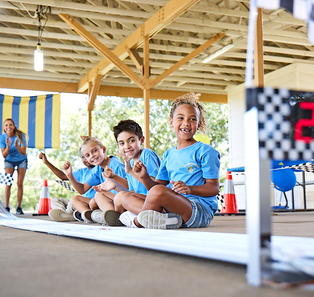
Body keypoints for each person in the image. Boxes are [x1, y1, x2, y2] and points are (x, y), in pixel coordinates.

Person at [130, 93, 220, 229]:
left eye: (192, 119)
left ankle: (136, 222)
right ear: (171, 122)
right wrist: (144, 177)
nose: (186, 123)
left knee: (157, 193)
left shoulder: (206, 151)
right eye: (180, 118)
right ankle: (165, 220)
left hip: (197, 210)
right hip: (173, 207)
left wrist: (190, 189)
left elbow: (213, 188)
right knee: (125, 196)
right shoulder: (169, 154)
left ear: (199, 124)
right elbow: (155, 188)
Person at [95, 119, 161, 227]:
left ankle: (128, 219)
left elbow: (155, 186)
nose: (126, 146)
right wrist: (114, 179)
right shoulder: (130, 162)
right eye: (122, 143)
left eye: (131, 141)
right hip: (138, 200)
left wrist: (130, 171)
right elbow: (131, 189)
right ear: (118, 145)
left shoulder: (146, 154)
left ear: (141, 140)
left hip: (153, 201)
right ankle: (125, 218)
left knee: (121, 197)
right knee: (103, 194)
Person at [62, 137, 127, 225]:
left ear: (103, 149)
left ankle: (111, 216)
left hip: (120, 202)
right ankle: (91, 216)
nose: (92, 156)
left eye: (94, 151)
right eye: (87, 155)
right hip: (107, 200)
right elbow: (82, 189)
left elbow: (127, 190)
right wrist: (69, 175)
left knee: (98, 196)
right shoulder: (98, 168)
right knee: (76, 198)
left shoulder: (116, 165)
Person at [38, 151, 97, 222]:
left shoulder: (98, 170)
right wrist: (46, 162)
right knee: (55, 200)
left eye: (88, 156)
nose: (87, 159)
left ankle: (68, 214)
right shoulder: (82, 172)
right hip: (79, 201)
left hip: (89, 203)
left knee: (74, 201)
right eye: (83, 157)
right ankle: (65, 213)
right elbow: (63, 176)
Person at [0, 118, 27, 215]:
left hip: (21, 160)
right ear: (4, 128)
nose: (8, 127)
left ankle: (19, 207)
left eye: (10, 125)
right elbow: (4, 155)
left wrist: (17, 146)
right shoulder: (2, 138)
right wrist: (8, 146)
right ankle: (6, 207)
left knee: (19, 183)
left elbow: (23, 153)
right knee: (8, 183)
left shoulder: (20, 136)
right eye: (6, 125)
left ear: (14, 127)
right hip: (9, 160)